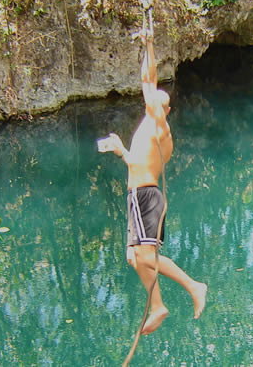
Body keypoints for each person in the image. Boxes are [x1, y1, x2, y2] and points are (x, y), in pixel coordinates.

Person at [101, 32, 207, 335]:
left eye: (162, 102)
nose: (155, 104)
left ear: (166, 110)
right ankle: (158, 306)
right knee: (134, 257)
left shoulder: (160, 126)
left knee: (146, 256)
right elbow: (137, 163)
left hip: (146, 197)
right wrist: (122, 151)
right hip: (138, 197)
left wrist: (149, 44)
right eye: (154, 102)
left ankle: (194, 285)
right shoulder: (145, 131)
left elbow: (148, 82)